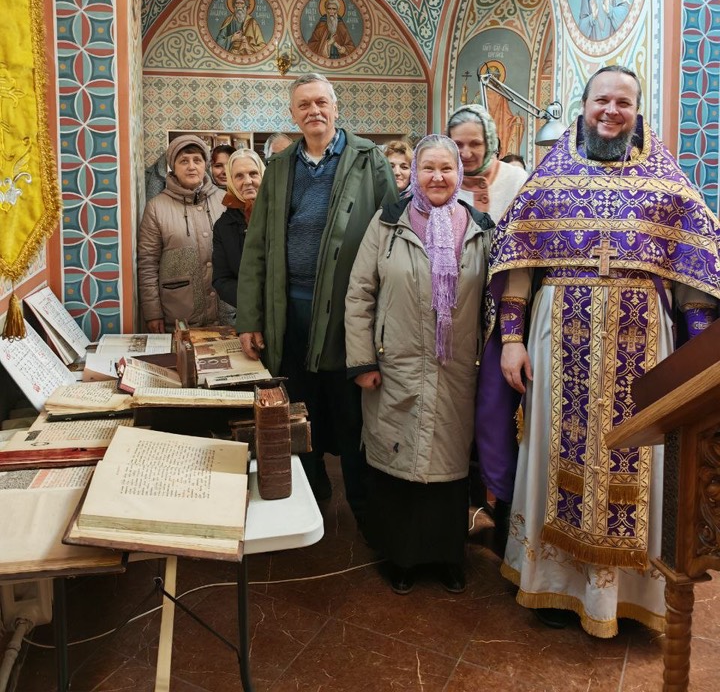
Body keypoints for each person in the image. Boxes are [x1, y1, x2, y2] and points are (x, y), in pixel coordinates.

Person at [479, 65, 720, 638]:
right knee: (552, 453)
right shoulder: (548, 181)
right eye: (601, 101)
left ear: (638, 113)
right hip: (556, 342)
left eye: (623, 103)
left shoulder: (668, 186)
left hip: (645, 347)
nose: (611, 112)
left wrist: (698, 360)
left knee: (640, 456)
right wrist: (511, 340)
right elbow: (518, 265)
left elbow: (697, 279)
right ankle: (554, 584)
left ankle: (625, 596)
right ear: (583, 107)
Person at [236, 73, 397, 522]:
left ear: (336, 107)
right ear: (293, 114)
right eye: (304, 105)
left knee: (350, 412)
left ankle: (364, 511)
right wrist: (250, 318)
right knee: (297, 407)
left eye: (321, 102)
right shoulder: (280, 166)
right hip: (289, 312)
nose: (314, 111)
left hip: (349, 314)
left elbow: (392, 235)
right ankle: (311, 490)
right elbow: (257, 246)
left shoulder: (368, 159)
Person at [346, 135, 493, 595]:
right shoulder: (388, 222)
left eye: (446, 168)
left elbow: (494, 300)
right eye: (428, 168)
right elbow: (360, 293)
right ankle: (401, 558)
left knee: (449, 466)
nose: (437, 177)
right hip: (397, 366)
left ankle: (448, 557)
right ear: (414, 172)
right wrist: (362, 360)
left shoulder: (480, 228)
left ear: (459, 173)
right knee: (398, 458)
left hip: (457, 369)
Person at [138, 134, 225, 331]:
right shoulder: (156, 207)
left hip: (225, 312)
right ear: (173, 167)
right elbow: (148, 264)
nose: (191, 166)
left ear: (205, 165)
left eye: (197, 160)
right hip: (179, 314)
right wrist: (152, 312)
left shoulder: (224, 201)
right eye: (184, 161)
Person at [447, 104, 527, 225]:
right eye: (458, 144)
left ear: (489, 144)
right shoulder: (442, 182)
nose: (466, 154)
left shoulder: (517, 180)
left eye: (475, 144)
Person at [212, 148, 265, 310]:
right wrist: (255, 299)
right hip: (250, 311)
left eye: (253, 173)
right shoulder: (223, 226)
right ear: (231, 182)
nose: (248, 181)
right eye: (239, 176)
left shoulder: (283, 213)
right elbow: (222, 279)